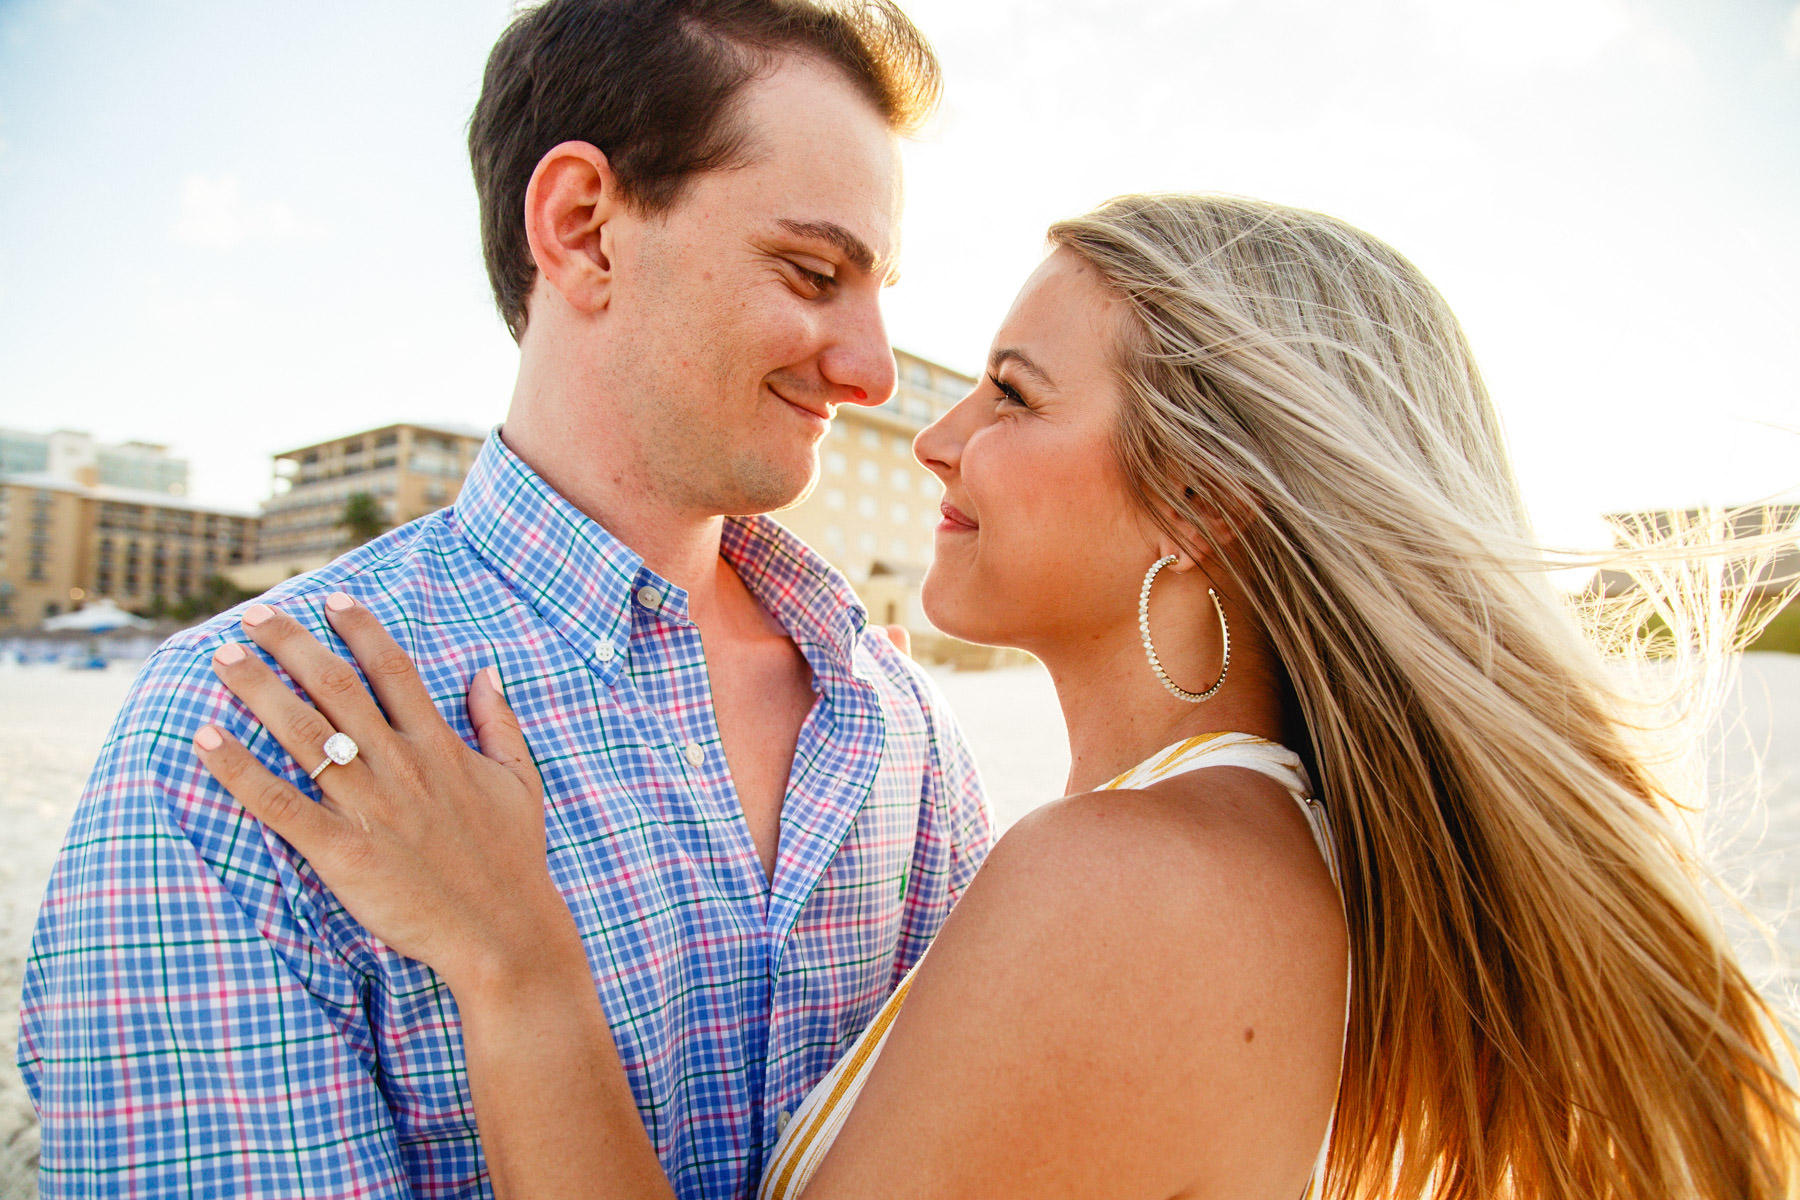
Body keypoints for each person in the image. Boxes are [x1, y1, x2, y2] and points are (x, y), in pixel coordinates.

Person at [194, 192, 1800, 1200]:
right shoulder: (1213, 849)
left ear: (1205, 502)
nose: (938, 437)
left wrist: (518, 964)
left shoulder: (1135, 881)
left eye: (1013, 397)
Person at [17, 2, 990, 1196]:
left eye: (877, 288)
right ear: (583, 230)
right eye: (811, 272)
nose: (875, 370)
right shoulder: (246, 738)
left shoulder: (900, 727)